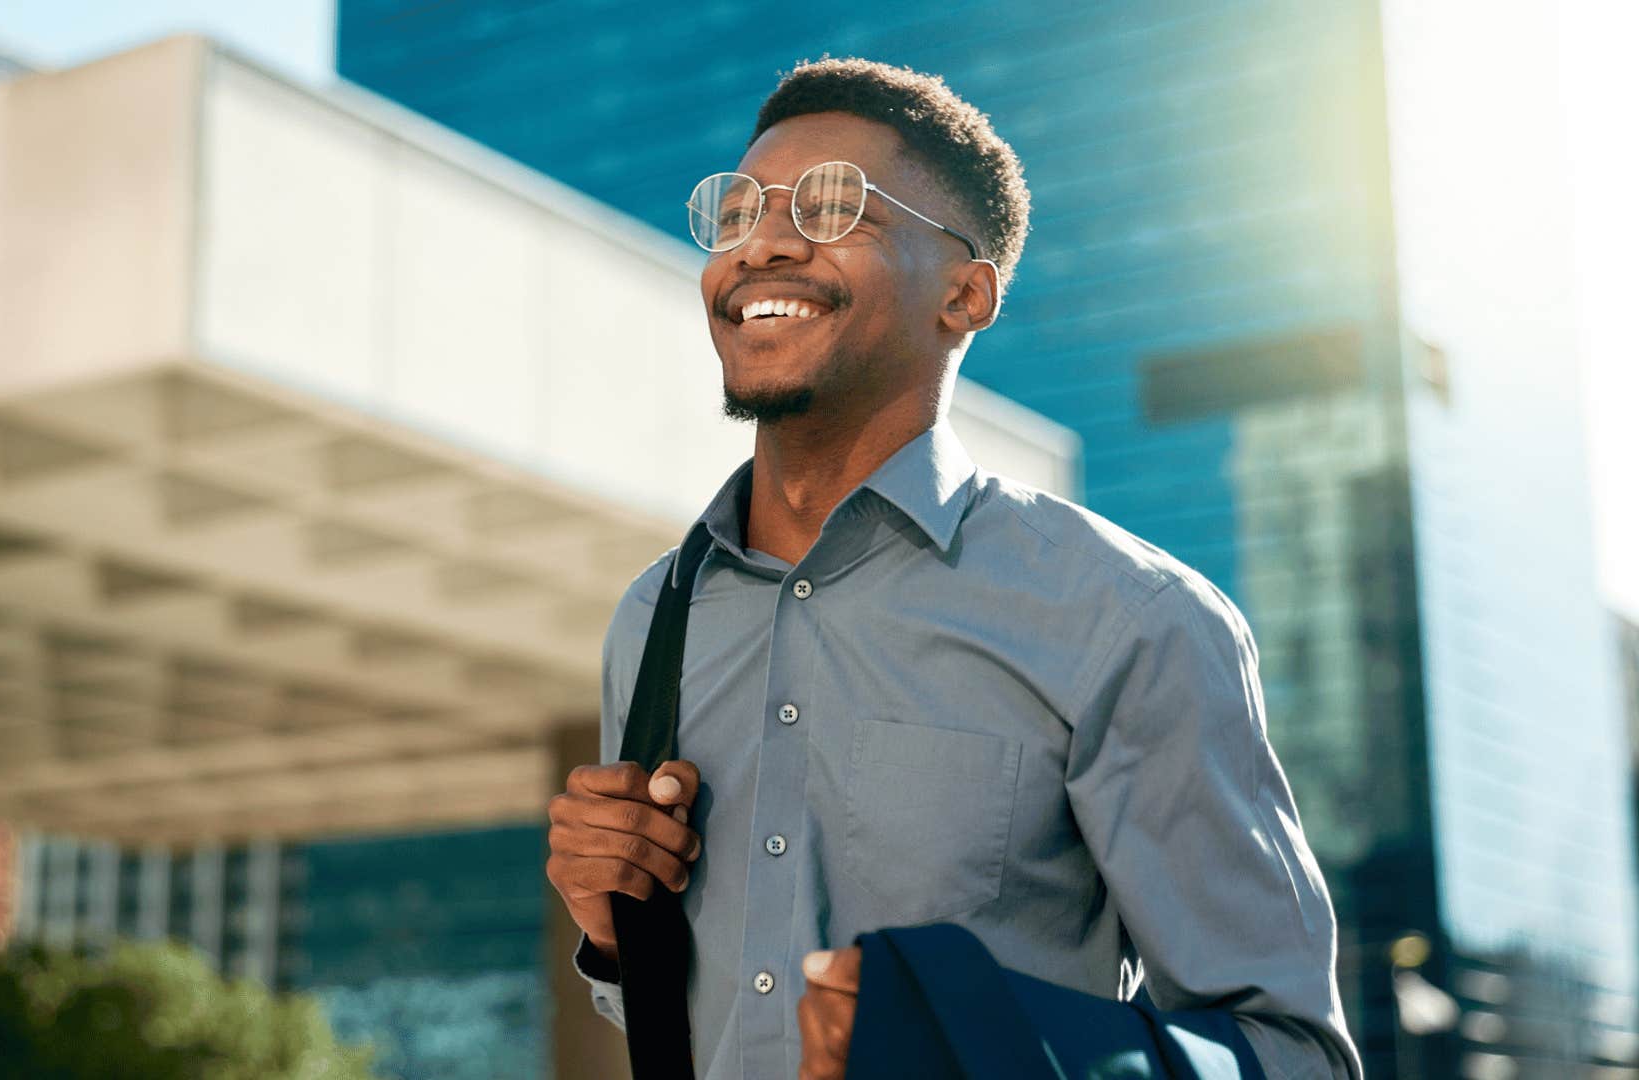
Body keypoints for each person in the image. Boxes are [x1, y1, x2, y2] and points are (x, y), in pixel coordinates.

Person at [544, 57, 1362, 1080]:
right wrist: (616, 934)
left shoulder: (1131, 619)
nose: (766, 242)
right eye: (739, 210)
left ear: (966, 294)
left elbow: (1289, 1056)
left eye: (835, 204)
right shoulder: (655, 617)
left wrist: (972, 1046)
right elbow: (698, 1026)